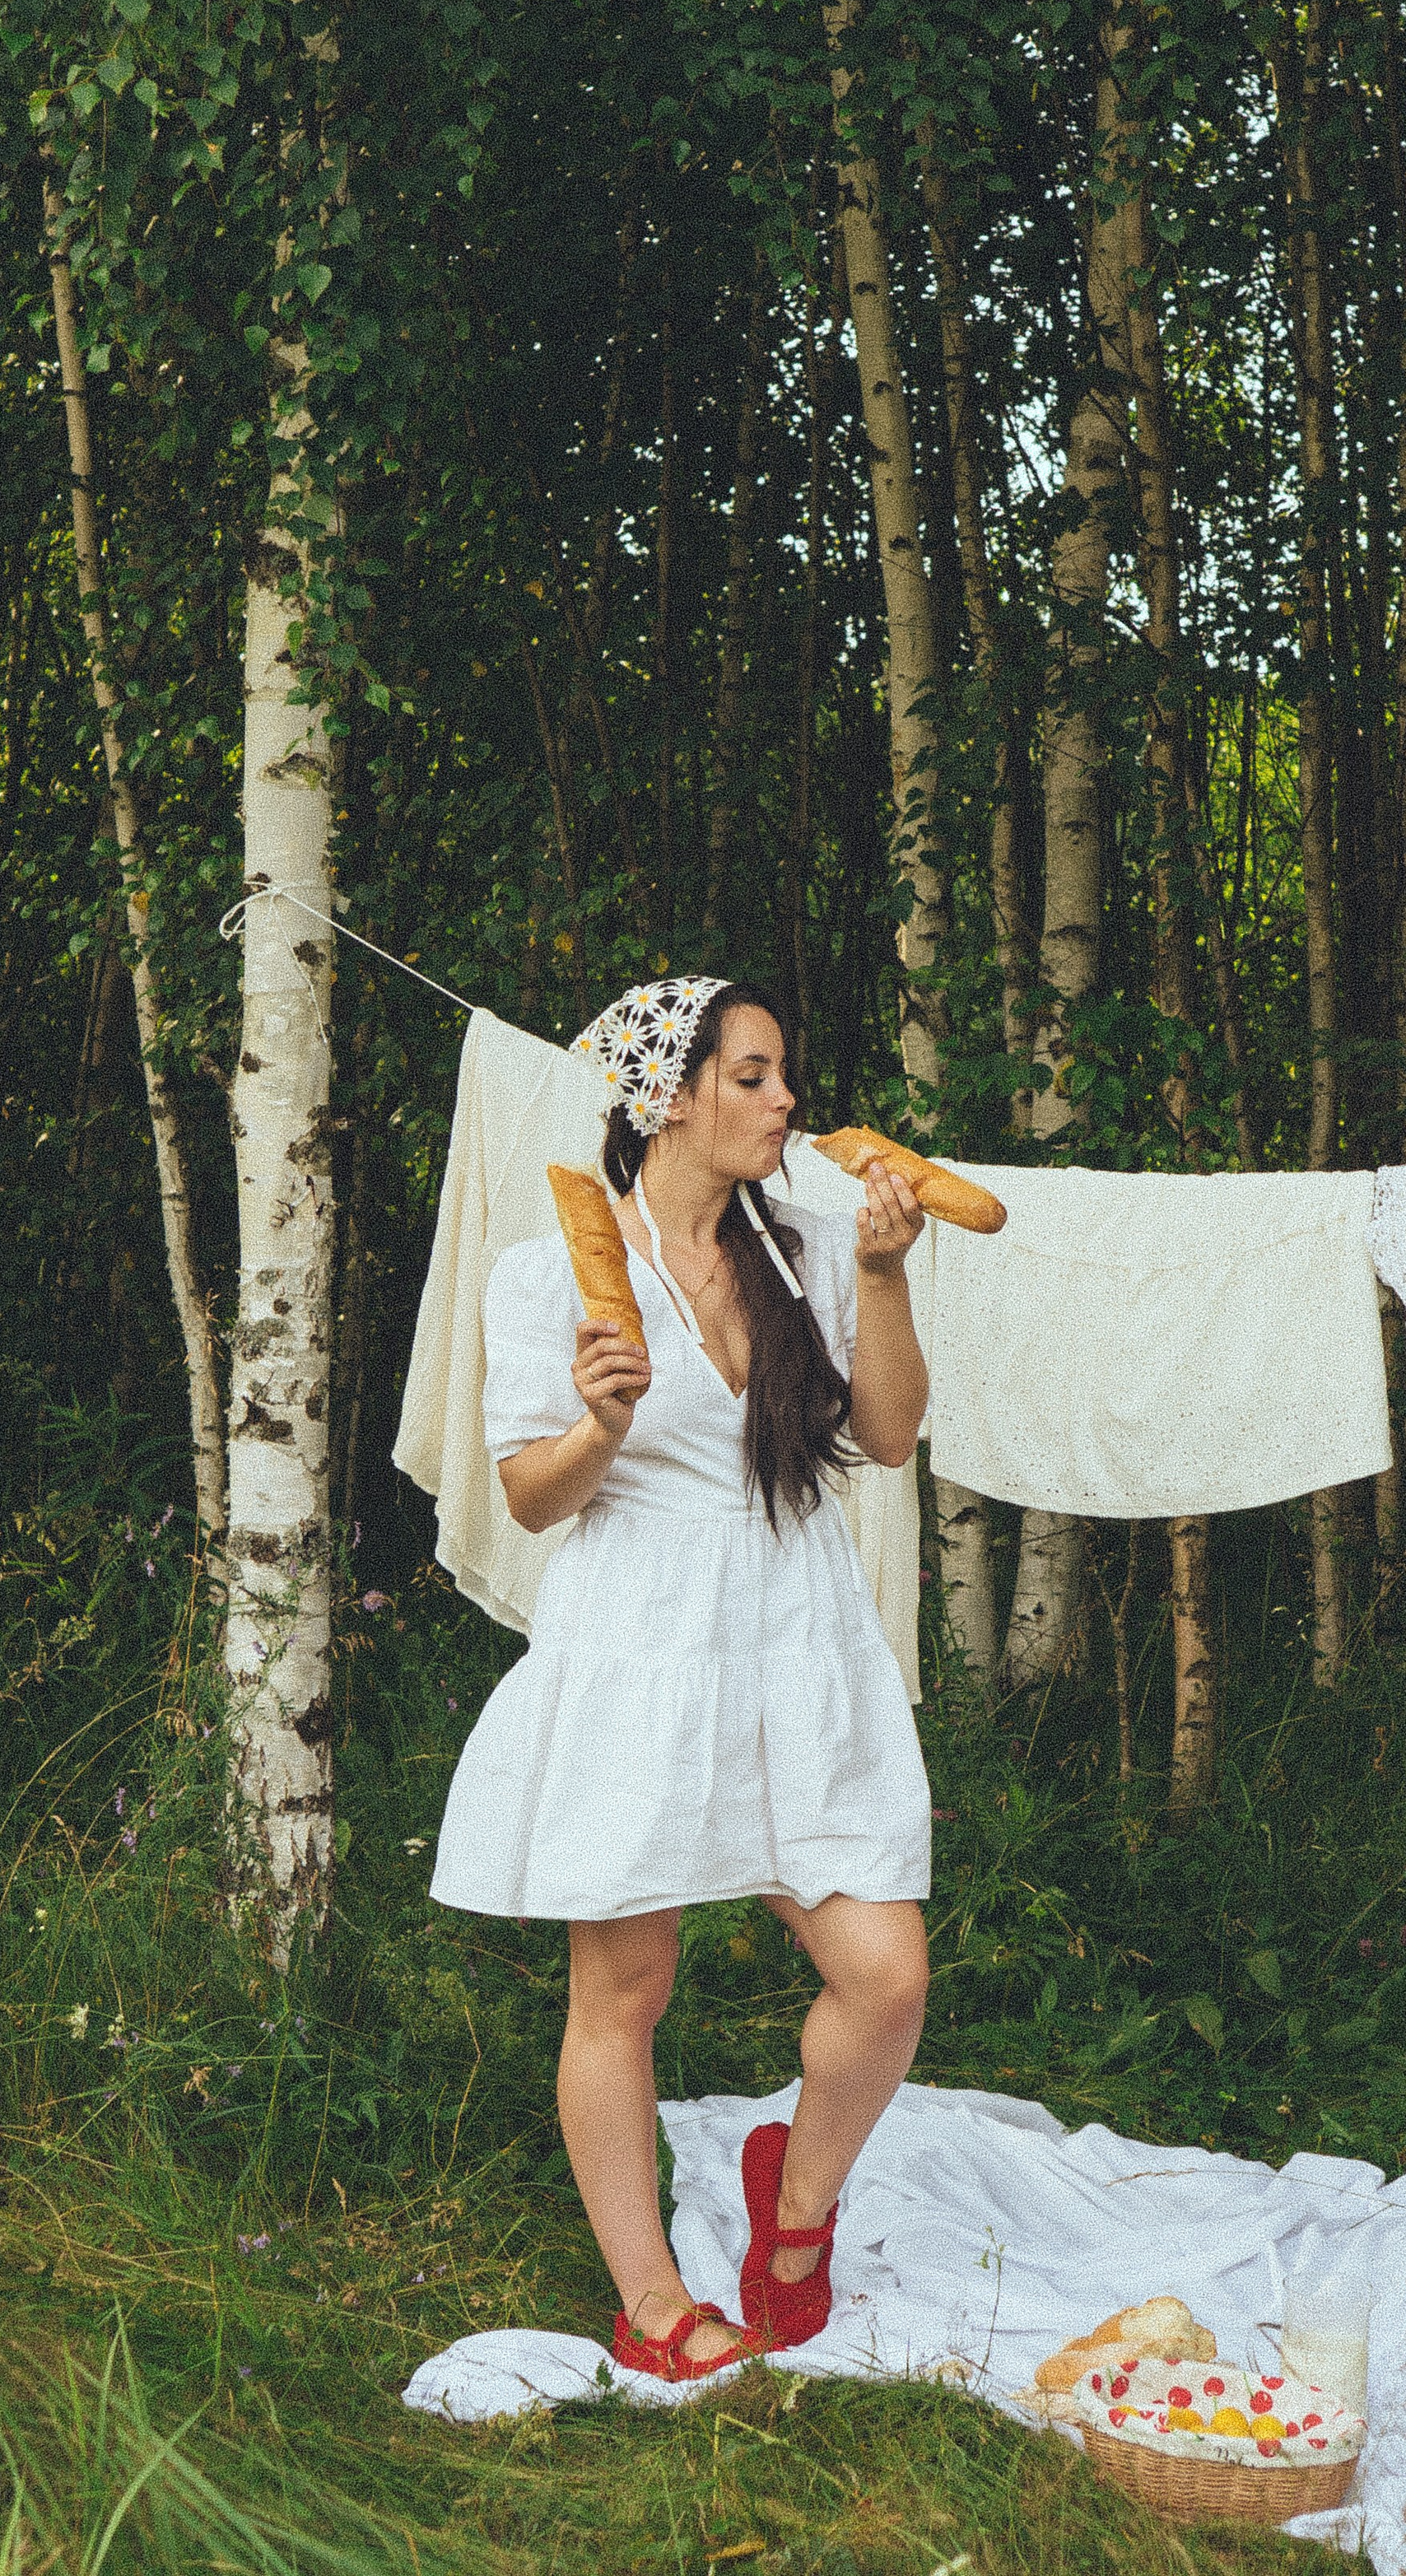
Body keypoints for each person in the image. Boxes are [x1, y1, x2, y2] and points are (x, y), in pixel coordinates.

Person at [431, 977, 933, 2382]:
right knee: (626, 1984)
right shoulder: (554, 1277)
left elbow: (889, 1437)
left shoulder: (819, 1253)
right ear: (671, 1097)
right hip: (642, 1638)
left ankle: (798, 2209)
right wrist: (599, 1422)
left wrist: (885, 1275)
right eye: (756, 1076)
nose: (786, 1103)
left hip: (795, 1633)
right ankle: (652, 2304)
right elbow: (533, 1500)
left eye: (784, 1077)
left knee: (885, 1973)